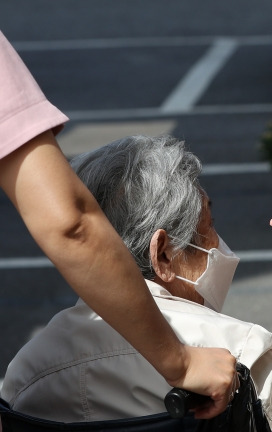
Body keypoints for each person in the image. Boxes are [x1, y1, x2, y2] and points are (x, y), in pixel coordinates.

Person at [1, 135, 272, 431]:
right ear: (162, 256)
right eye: (208, 228)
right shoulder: (228, 359)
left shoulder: (25, 376)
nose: (222, 246)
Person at [0, 31, 236, 418]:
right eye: (208, 221)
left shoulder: (25, 375)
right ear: (161, 254)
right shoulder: (235, 354)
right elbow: (69, 224)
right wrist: (179, 362)